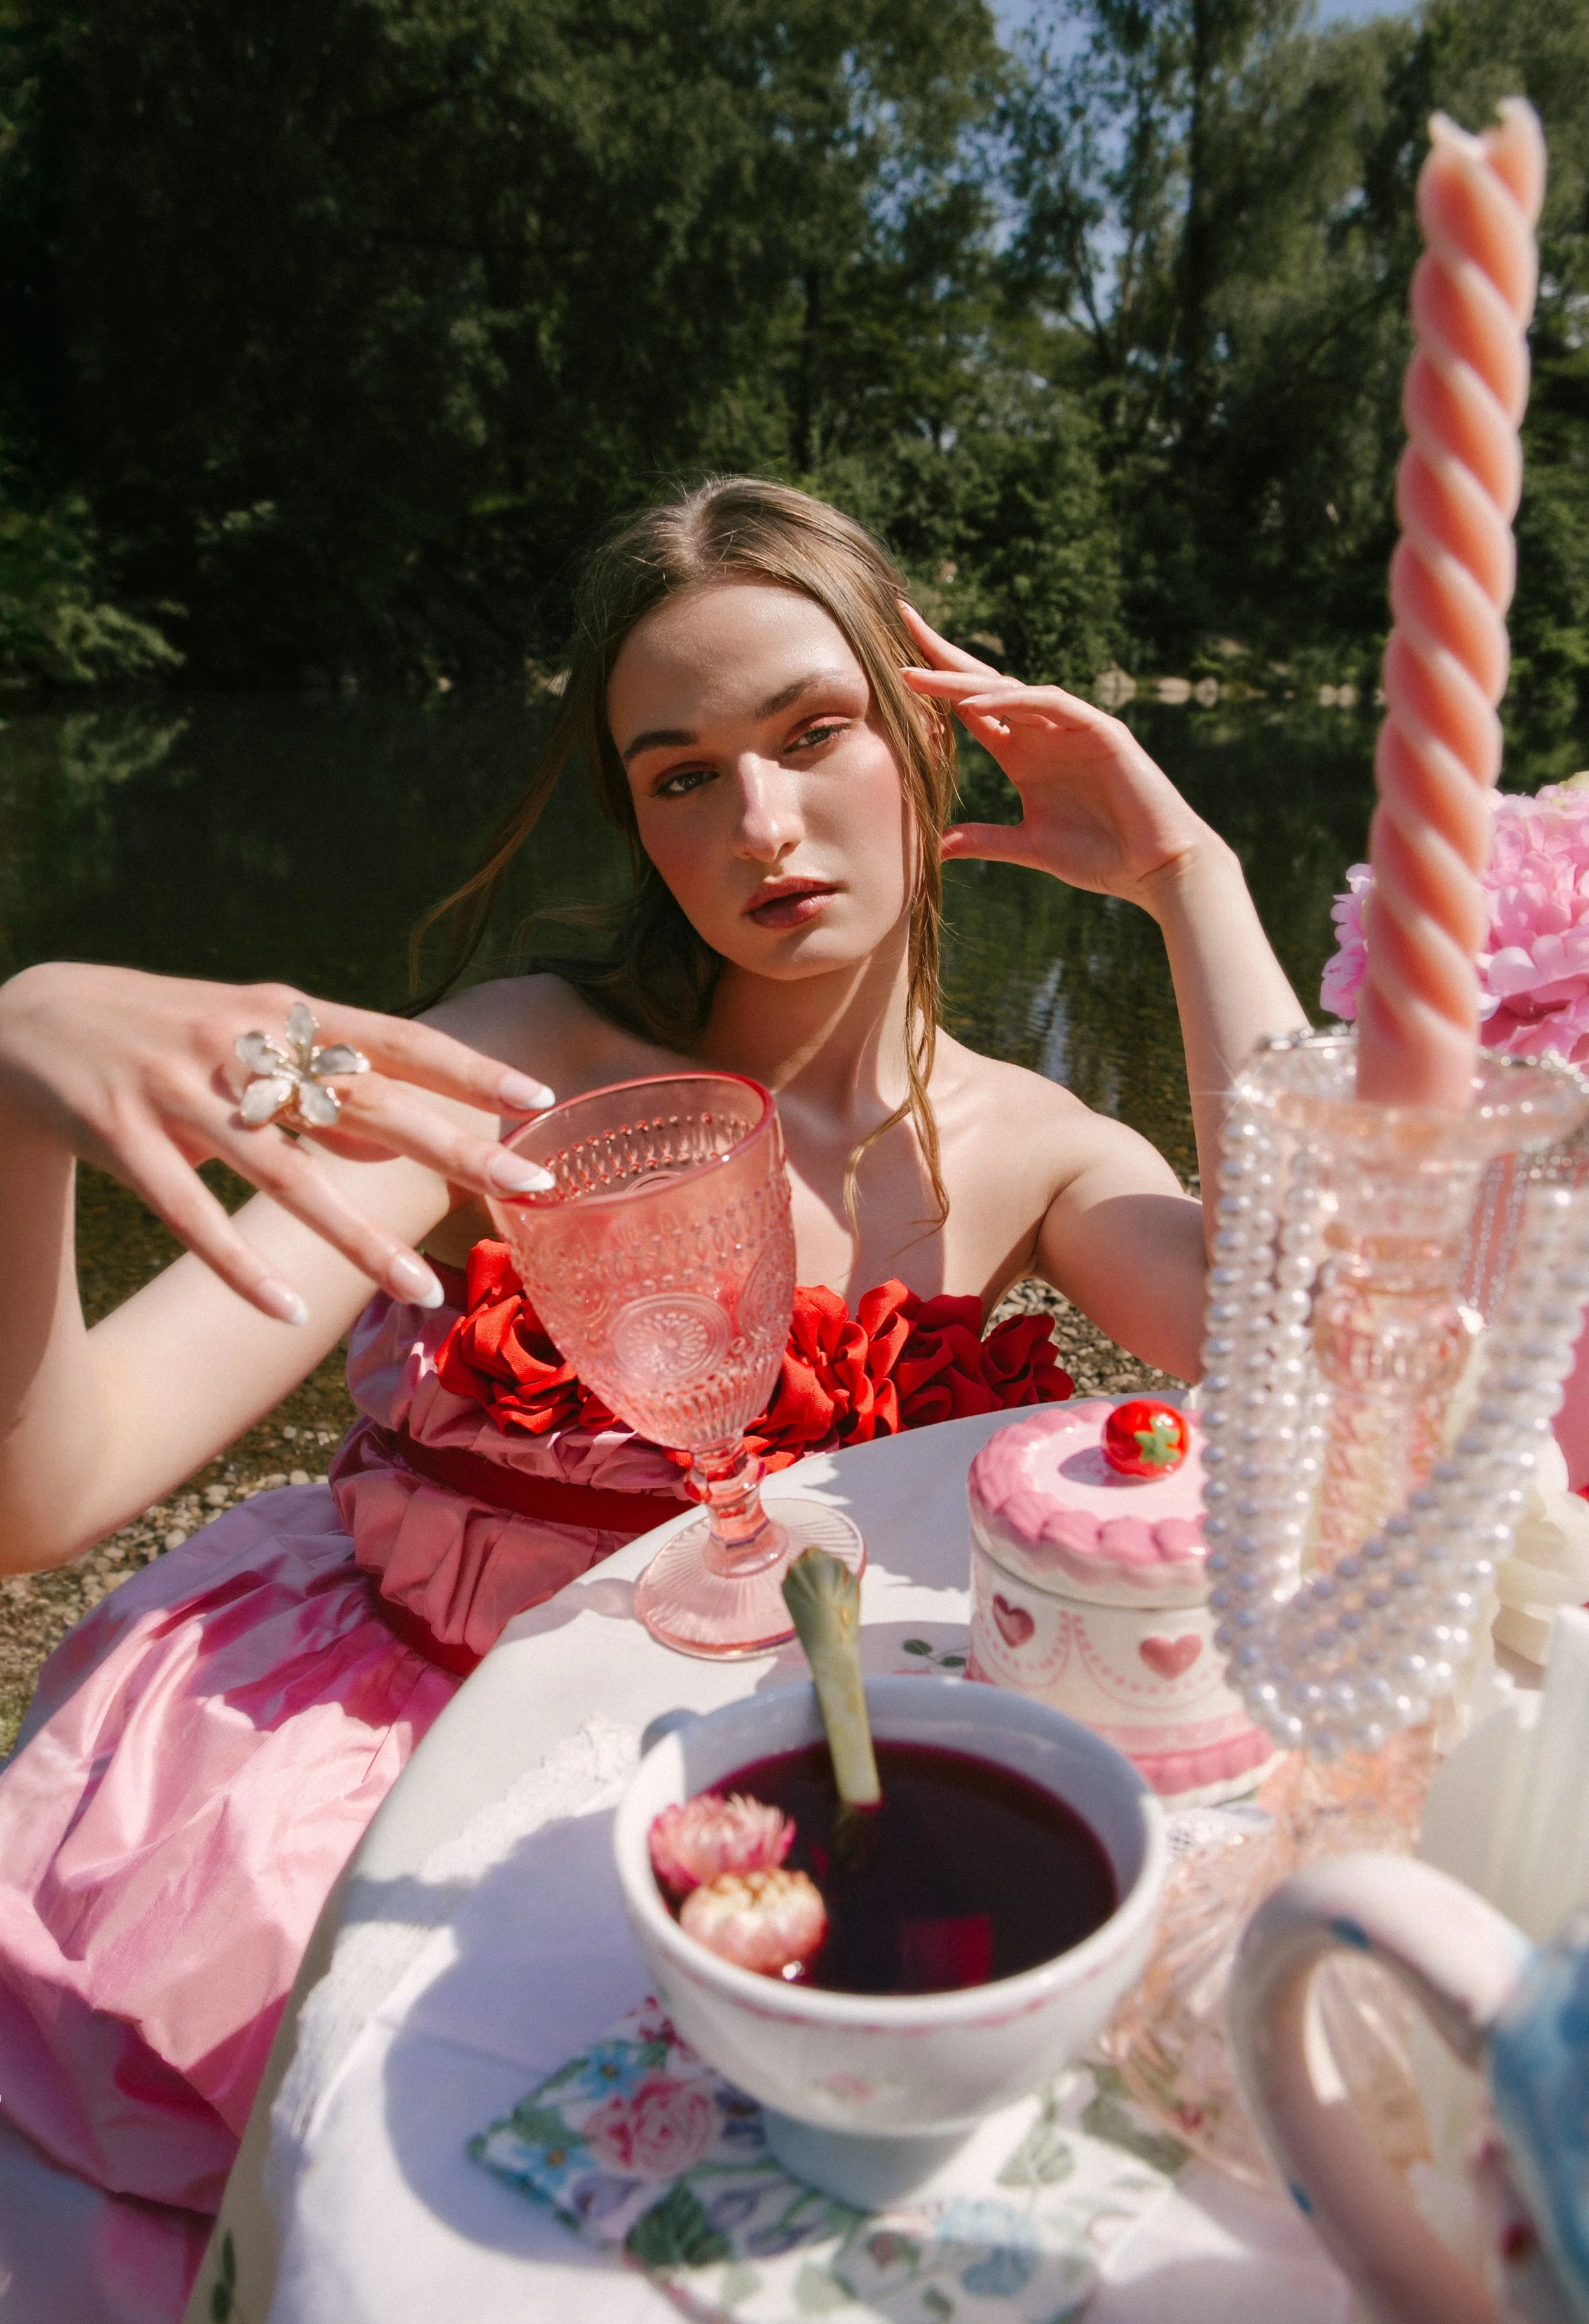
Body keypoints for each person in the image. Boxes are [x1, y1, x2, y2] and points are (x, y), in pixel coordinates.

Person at [0, 479, 1307, 2313]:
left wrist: (1191, 881)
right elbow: (52, 1489)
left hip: (790, 1799)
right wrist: (21, 1075)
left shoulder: (1034, 1148)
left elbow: (1301, 1333)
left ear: (927, 747)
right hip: (373, 1771)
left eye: (812, 732)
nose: (758, 821)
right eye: (679, 771)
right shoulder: (510, 1067)